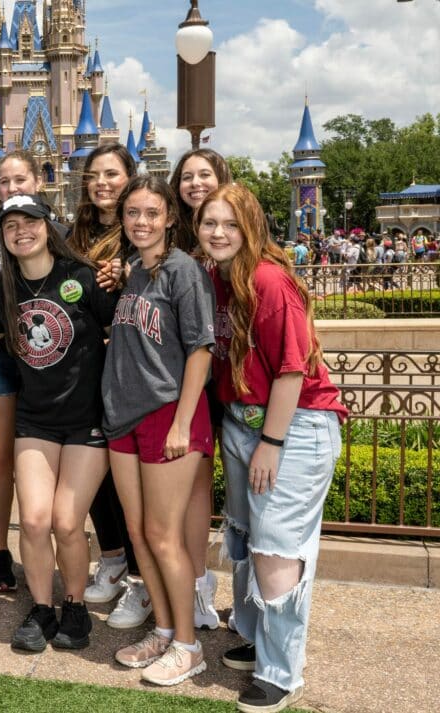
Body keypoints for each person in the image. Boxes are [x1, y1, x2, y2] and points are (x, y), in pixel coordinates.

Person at [196, 184, 346, 712]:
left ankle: (282, 672)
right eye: (209, 222)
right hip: (243, 421)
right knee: (245, 536)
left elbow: (292, 368)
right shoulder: (218, 277)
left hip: (293, 425)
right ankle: (259, 639)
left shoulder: (267, 279)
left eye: (230, 224)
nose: (218, 233)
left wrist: (272, 443)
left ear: (251, 228)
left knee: (275, 547)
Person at [0, 194, 118, 651]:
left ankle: (75, 607)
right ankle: (42, 608)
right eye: (10, 226)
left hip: (86, 422)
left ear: (48, 225)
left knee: (66, 522)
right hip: (35, 421)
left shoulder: (81, 276)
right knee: (36, 521)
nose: (21, 231)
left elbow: (119, 328)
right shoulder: (1, 289)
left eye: (30, 222)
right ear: (2, 237)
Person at [102, 174, 215, 686]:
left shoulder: (182, 270)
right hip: (122, 415)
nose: (141, 222)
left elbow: (200, 349)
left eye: (151, 213)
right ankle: (165, 629)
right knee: (138, 533)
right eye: (132, 214)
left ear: (170, 217)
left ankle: (189, 646)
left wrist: (184, 421)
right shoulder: (132, 271)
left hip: (168, 416)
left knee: (164, 536)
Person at [0, 149, 69, 593]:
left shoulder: (57, 232)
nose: (12, 187)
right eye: (5, 181)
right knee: (2, 458)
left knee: (49, 461)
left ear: (39, 181)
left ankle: (45, 547)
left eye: (20, 180)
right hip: (0, 360)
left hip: (46, 361)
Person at [69, 144, 148, 627]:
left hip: (129, 365)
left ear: (130, 177)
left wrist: (128, 273)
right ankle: (114, 556)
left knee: (128, 476)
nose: (102, 182)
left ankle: (141, 576)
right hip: (84, 365)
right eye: (94, 174)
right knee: (94, 464)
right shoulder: (76, 233)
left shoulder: (141, 231)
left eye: (112, 174)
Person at [169, 147, 234, 632]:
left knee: (209, 490)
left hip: (224, 378)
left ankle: (204, 585)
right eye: (187, 176)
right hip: (185, 378)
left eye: (204, 175)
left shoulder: (232, 237)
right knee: (189, 489)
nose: (194, 183)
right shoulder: (175, 239)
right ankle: (189, 581)